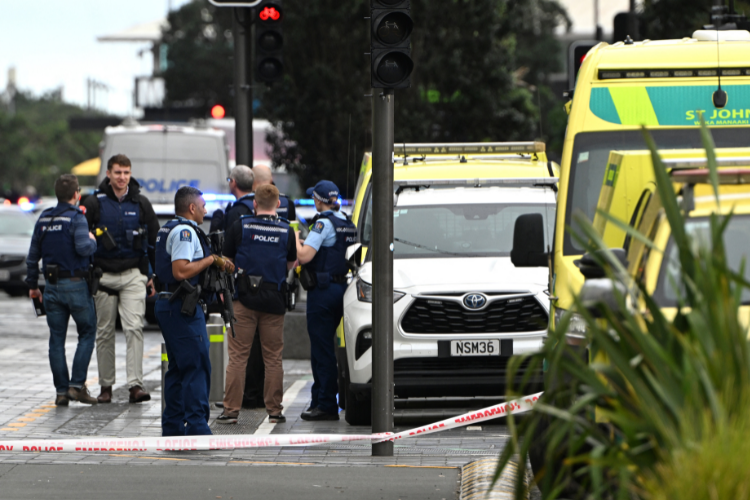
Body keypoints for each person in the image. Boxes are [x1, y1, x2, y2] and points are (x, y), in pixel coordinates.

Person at [154, 186, 234, 436]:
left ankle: (174, 427)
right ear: (191, 208)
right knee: (197, 365)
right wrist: (210, 260)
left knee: (179, 368)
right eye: (202, 206)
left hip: (173, 305)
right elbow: (180, 271)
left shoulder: (169, 227)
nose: (205, 210)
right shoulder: (185, 232)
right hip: (182, 307)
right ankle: (197, 427)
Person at [216, 184, 297, 424]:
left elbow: (226, 260)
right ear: (278, 205)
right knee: (273, 357)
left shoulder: (240, 225)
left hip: (243, 299)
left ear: (254, 203)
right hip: (274, 300)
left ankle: (231, 410)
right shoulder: (286, 230)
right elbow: (291, 264)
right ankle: (274, 410)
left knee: (238, 356)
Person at [83, 154, 160, 404]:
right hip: (103, 276)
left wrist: (152, 275)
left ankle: (135, 386)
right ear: (108, 173)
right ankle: (106, 387)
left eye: (126, 172)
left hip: (132, 275)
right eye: (117, 172)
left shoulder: (141, 203)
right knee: (104, 332)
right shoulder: (94, 202)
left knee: (134, 328)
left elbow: (154, 242)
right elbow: (81, 240)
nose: (122, 177)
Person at [26, 174, 99, 406]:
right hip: (76, 285)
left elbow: (32, 258)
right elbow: (83, 247)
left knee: (56, 340)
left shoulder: (44, 218)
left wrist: (32, 287)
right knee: (87, 332)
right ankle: (76, 386)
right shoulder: (77, 218)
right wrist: (92, 239)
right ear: (76, 194)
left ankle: (60, 392)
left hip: (51, 287)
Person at [295, 180, 357, 421]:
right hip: (343, 287)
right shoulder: (346, 221)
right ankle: (322, 399)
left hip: (322, 291)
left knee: (322, 350)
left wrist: (294, 237)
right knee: (332, 348)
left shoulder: (323, 222)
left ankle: (325, 403)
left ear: (318, 200)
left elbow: (305, 256)